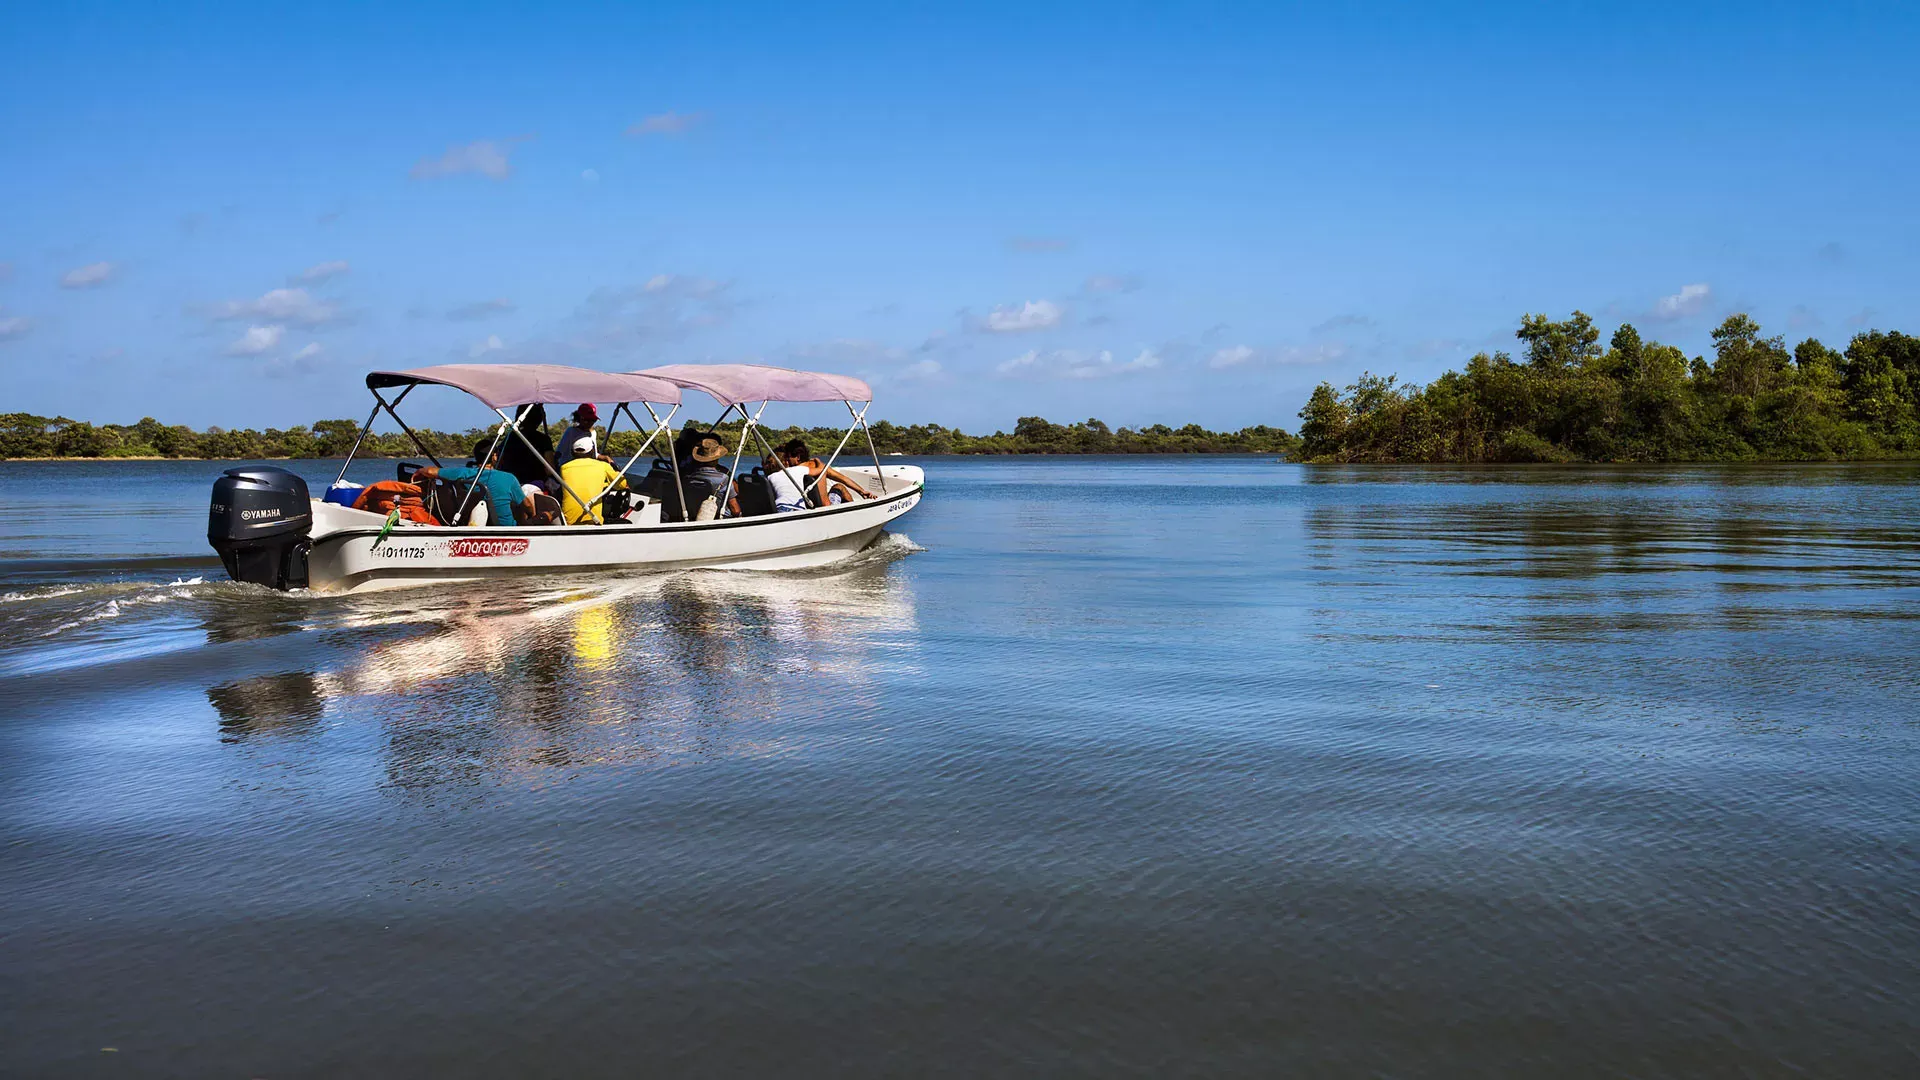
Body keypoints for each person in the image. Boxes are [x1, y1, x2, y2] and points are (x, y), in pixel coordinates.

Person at [413, 439, 533, 526]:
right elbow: (527, 505)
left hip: (480, 523)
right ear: (494, 456)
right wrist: (531, 515)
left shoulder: (465, 473)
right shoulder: (509, 478)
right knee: (548, 514)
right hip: (506, 528)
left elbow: (429, 471)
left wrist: (419, 471)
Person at [778, 438, 873, 505]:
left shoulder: (787, 471)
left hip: (806, 505)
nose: (786, 461)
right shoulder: (817, 466)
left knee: (839, 486)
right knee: (839, 487)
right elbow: (843, 479)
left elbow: (843, 479)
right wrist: (862, 491)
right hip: (823, 506)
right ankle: (854, 513)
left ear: (797, 457)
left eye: (788, 457)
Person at [558, 435, 628, 524]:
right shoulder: (603, 466)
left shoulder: (564, 468)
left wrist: (604, 484)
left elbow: (581, 482)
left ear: (572, 452)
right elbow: (622, 485)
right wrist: (616, 470)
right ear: (592, 451)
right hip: (593, 520)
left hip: (568, 522)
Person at [496, 403, 554, 487]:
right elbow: (550, 470)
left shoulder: (509, 438)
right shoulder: (543, 439)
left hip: (511, 484)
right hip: (535, 485)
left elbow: (500, 463)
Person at [684, 434, 742, 517]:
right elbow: (735, 510)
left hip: (697, 515)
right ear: (716, 458)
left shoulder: (690, 477)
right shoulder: (724, 478)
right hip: (720, 517)